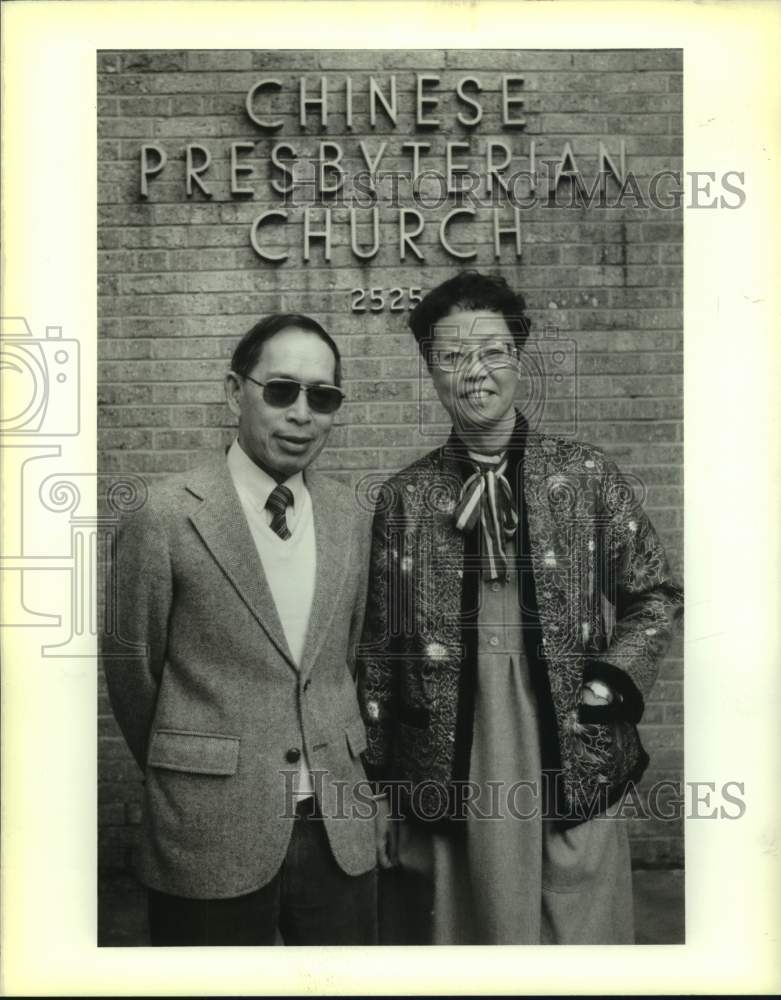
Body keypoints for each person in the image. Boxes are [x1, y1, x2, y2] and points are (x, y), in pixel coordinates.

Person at [358, 271, 683, 945]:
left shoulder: (584, 476)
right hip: (455, 749)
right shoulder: (403, 497)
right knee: (468, 929)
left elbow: (654, 593)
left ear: (517, 356)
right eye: (450, 357)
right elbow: (379, 650)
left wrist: (609, 684)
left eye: (492, 351)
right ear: (430, 369)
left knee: (576, 929)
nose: (473, 372)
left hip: (570, 737)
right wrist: (381, 784)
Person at [102, 313, 376, 946]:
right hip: (208, 827)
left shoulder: (349, 515)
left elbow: (349, 658)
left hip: (337, 822)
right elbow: (132, 674)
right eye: (281, 390)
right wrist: (198, 769)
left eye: (323, 396)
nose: (302, 413)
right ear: (235, 392)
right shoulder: (165, 516)